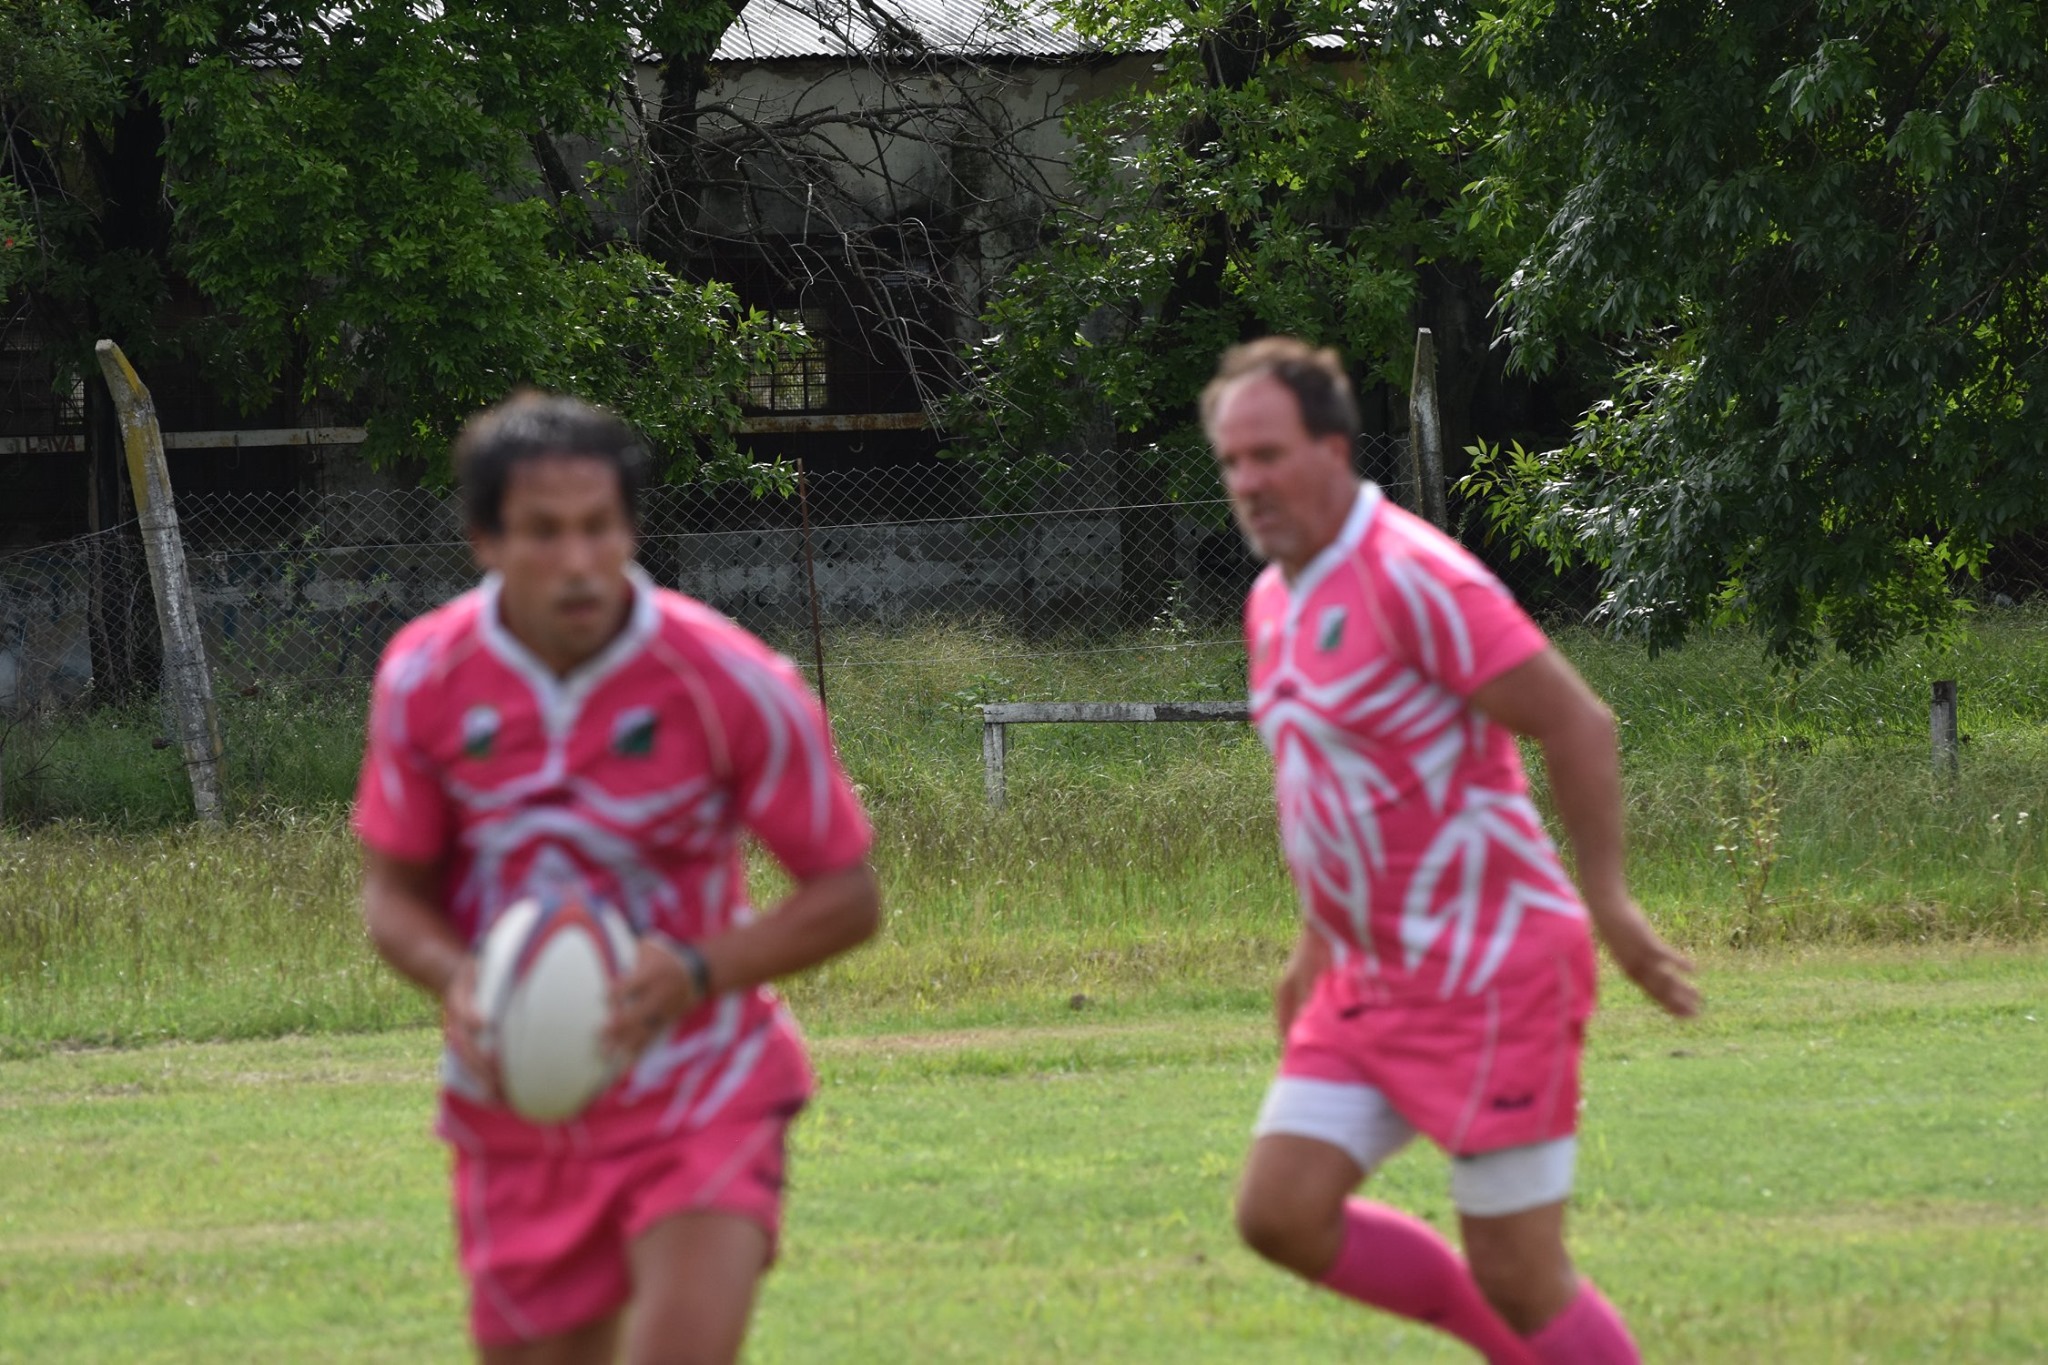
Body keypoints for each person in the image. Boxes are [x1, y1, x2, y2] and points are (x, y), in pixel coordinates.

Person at [353, 392, 879, 1365]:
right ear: (484, 538)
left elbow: (846, 897)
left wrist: (694, 967)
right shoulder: (423, 677)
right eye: (544, 532)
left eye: (599, 527)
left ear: (631, 529)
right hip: (514, 1106)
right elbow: (391, 894)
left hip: (702, 1086)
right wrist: (452, 974)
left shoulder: (730, 678)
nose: (579, 560)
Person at [1204, 338, 1699, 1364]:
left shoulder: (1413, 576)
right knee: (1278, 1212)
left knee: (1519, 1273)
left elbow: (1577, 724)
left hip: (1490, 971)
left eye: (1267, 454)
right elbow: (1330, 794)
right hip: (1369, 977)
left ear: (1334, 449)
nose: (1246, 482)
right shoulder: (1271, 601)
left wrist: (1609, 902)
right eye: (1230, 463)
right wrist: (1312, 946)